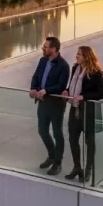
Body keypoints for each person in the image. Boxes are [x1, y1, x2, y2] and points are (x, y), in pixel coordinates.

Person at [64, 46, 103, 183]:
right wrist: (66, 91)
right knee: (72, 139)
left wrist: (84, 96)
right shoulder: (75, 68)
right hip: (75, 108)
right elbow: (72, 85)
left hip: (88, 110)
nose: (76, 56)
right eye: (77, 54)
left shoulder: (96, 72)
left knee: (89, 141)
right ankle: (77, 167)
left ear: (87, 57)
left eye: (79, 54)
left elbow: (102, 93)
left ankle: (88, 169)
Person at [29, 37, 71, 176]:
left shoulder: (63, 66)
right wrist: (33, 88)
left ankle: (57, 163)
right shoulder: (43, 60)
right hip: (42, 102)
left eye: (46, 47)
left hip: (56, 104)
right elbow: (36, 76)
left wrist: (46, 91)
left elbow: (61, 85)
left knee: (57, 133)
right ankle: (52, 155)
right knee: (42, 131)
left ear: (54, 49)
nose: (43, 48)